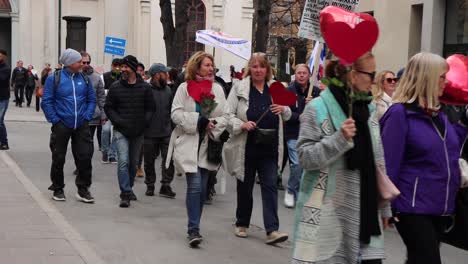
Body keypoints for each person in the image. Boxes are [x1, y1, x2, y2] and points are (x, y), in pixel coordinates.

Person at [292, 53, 390, 264]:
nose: (374, 80)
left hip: (367, 211)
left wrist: (384, 206)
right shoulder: (316, 108)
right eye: (370, 74)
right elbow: (305, 157)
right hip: (331, 213)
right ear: (352, 75)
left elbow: (377, 159)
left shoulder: (370, 109)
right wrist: (339, 139)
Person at [380, 52, 466, 264]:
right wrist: (386, 207)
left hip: (440, 205)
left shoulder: (439, 115)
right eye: (442, 77)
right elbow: (388, 164)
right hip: (411, 206)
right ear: (426, 78)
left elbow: (453, 144)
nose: (446, 82)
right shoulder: (400, 114)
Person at [223, 52, 291, 245]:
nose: (258, 70)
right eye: (254, 66)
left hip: (270, 148)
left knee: (270, 187)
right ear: (249, 69)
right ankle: (242, 223)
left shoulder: (276, 88)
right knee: (245, 187)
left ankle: (272, 230)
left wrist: (284, 109)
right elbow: (227, 116)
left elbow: (288, 113)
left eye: (262, 66)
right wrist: (241, 125)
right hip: (247, 147)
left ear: (268, 69)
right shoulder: (239, 88)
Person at [166, 51, 228, 247]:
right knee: (195, 187)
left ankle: (195, 224)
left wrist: (213, 124)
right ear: (196, 67)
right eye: (207, 65)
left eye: (212, 65)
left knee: (202, 190)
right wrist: (198, 121)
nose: (211, 69)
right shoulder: (184, 88)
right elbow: (176, 114)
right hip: (189, 142)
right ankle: (193, 229)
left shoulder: (217, 89)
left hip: (209, 144)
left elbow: (225, 116)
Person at [41, 48, 96, 203]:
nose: (82, 63)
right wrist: (55, 120)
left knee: (85, 157)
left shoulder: (85, 79)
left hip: (81, 124)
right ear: (70, 63)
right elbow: (47, 101)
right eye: (79, 61)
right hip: (62, 124)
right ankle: (58, 188)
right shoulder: (54, 78)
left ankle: (83, 189)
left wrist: (87, 116)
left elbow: (91, 99)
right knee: (58, 157)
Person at [104, 55, 155, 208]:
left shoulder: (145, 88)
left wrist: (144, 123)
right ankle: (125, 193)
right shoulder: (116, 87)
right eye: (122, 67)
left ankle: (129, 186)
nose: (123, 70)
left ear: (133, 69)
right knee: (123, 161)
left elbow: (151, 108)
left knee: (133, 164)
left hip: (138, 131)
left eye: (126, 67)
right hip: (121, 131)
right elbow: (108, 107)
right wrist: (117, 121)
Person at [283, 64, 321, 208]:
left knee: (306, 165)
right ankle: (291, 190)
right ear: (295, 74)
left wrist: (313, 105)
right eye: (299, 73)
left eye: (304, 73)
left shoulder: (316, 92)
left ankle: (300, 192)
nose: (301, 75)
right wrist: (300, 114)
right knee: (297, 163)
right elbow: (286, 113)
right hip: (294, 132)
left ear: (309, 75)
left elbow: (321, 113)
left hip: (311, 134)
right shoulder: (289, 91)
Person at [143, 63, 176, 198]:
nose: (167, 75)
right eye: (164, 73)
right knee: (149, 160)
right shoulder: (145, 89)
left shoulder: (168, 90)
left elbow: (172, 109)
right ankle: (150, 184)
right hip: (149, 132)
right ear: (157, 75)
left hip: (166, 131)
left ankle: (165, 185)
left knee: (168, 159)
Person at [81, 51, 105, 150]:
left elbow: (101, 97)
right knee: (80, 142)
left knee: (88, 142)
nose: (86, 65)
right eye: (83, 62)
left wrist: (103, 115)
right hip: (77, 116)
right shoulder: (73, 76)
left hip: (93, 116)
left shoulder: (96, 78)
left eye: (88, 62)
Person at [101, 58, 121, 164]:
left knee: (116, 133)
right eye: (115, 65)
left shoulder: (124, 77)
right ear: (112, 66)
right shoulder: (104, 76)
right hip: (107, 109)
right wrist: (110, 91)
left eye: (119, 66)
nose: (117, 68)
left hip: (119, 110)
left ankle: (112, 154)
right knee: (106, 130)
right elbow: (100, 92)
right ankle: (105, 151)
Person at [0, 49, 10, 150]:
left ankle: (4, 143)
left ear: (4, 57)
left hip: (3, 98)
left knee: (0, 121)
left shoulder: (6, 68)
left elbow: (2, 79)